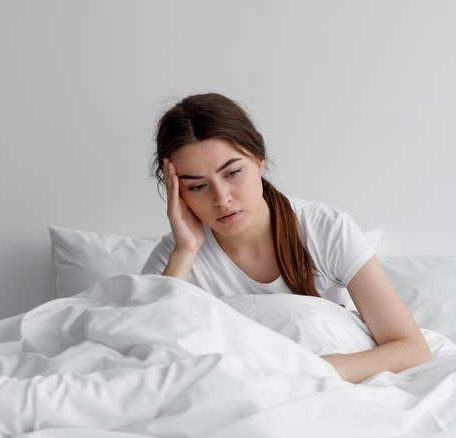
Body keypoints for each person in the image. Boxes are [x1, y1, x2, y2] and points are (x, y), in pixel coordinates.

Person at [141, 93, 432, 383]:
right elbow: (143, 348)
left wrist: (302, 373)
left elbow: (412, 349)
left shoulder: (325, 229)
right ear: (176, 192)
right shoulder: (176, 256)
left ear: (259, 159)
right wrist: (185, 252)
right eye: (198, 186)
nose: (222, 199)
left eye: (232, 173)